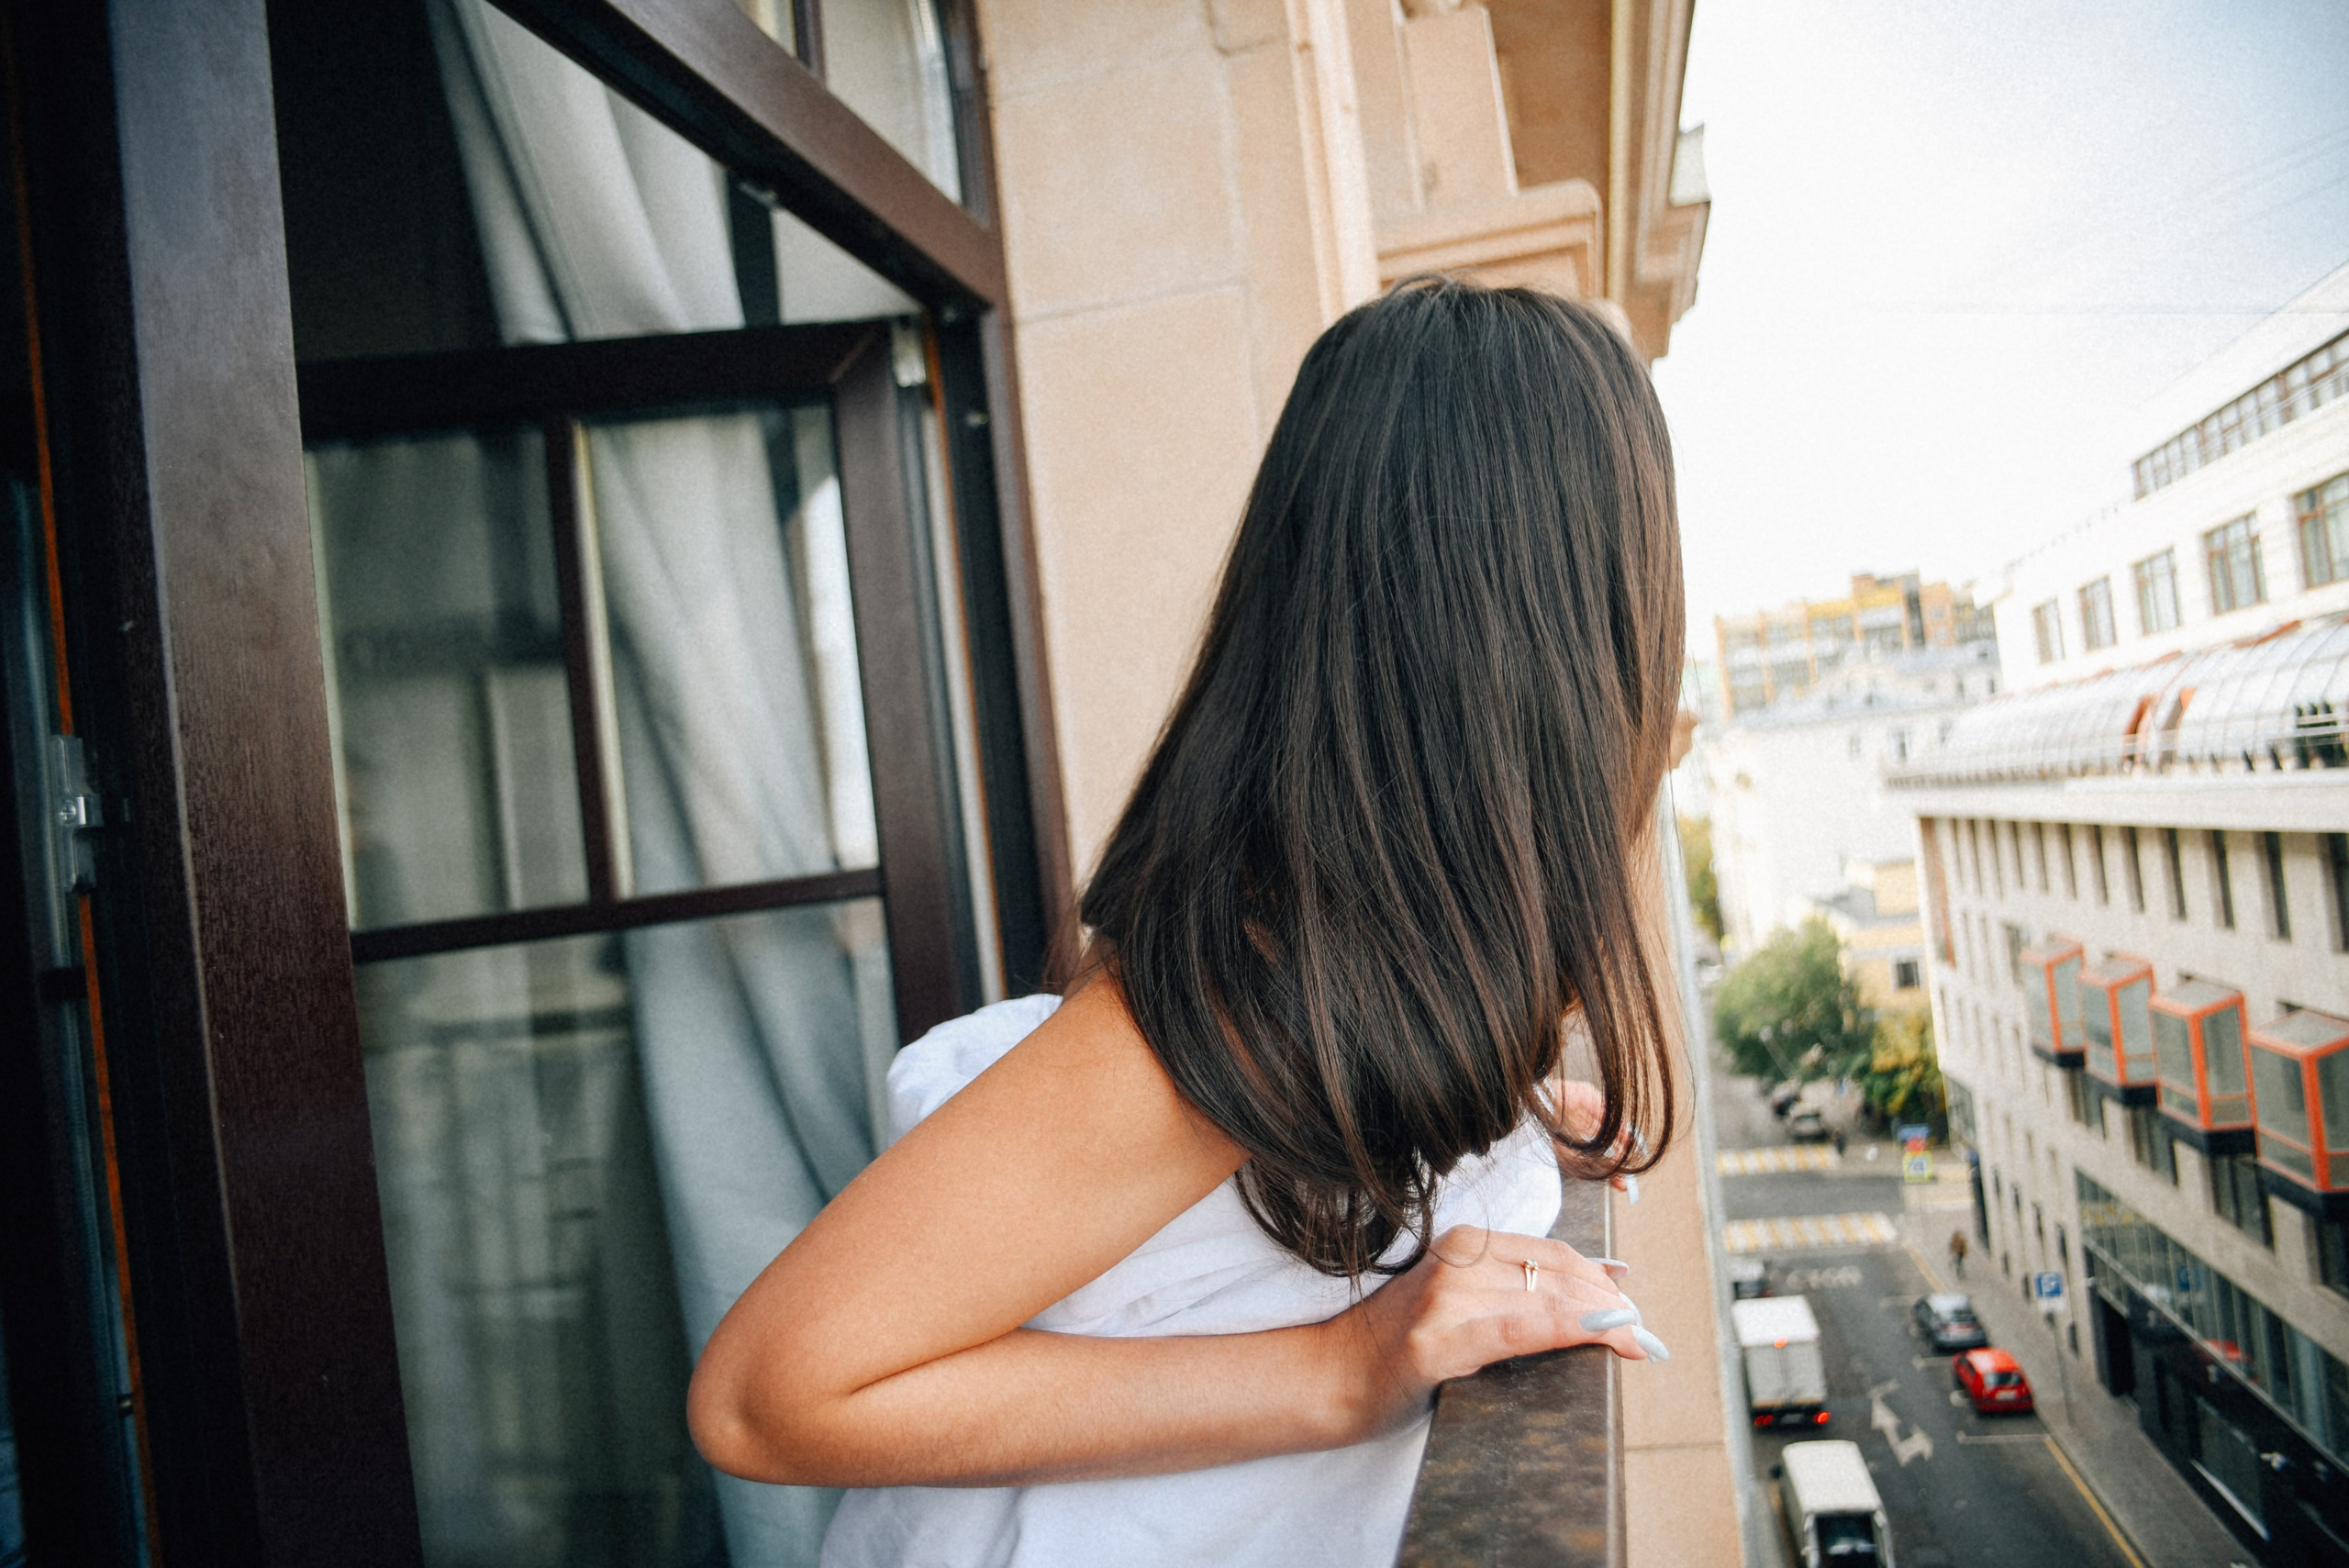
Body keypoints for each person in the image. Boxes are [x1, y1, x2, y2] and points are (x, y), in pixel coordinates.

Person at [687, 278, 1687, 1568]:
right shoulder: (1245, 1001)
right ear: (1565, 644)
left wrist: (1485, 1090)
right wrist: (1344, 1368)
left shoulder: (1320, 966)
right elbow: (766, 1392)